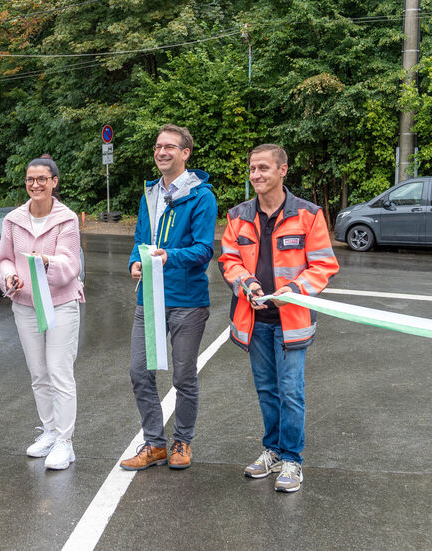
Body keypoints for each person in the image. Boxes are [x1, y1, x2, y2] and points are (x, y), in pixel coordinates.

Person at [218, 144, 339, 493]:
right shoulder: (238, 215)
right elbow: (228, 260)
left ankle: (292, 460)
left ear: (282, 170)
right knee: (267, 390)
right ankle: (271, 451)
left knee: (291, 392)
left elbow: (324, 264)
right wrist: (247, 283)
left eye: (263, 168)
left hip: (292, 321)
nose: (256, 174)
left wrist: (296, 288)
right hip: (254, 320)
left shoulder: (308, 214)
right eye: (253, 168)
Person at [120, 124, 217, 471]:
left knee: (183, 378)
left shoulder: (202, 196)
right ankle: (154, 443)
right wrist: (136, 260)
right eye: (158, 146)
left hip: (188, 301)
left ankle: (182, 442)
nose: (161, 152)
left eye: (169, 147)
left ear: (185, 153)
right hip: (149, 299)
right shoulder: (149, 193)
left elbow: (204, 249)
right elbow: (140, 238)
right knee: (139, 373)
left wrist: (168, 257)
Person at [0, 155, 84, 470]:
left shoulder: (66, 218)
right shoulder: (13, 219)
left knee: (59, 370)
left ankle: (65, 442)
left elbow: (71, 264)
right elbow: (4, 259)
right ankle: (48, 430)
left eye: (42, 179)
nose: (35, 184)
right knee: (38, 373)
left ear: (54, 182)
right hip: (25, 304)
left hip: (60, 304)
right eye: (30, 179)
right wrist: (8, 276)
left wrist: (46, 262)